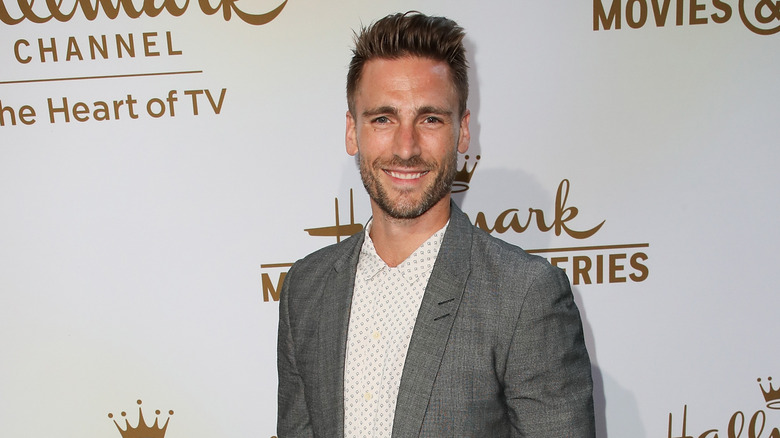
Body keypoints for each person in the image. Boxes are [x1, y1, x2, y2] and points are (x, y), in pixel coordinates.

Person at [277, 11, 595, 437]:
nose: (406, 148)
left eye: (430, 119)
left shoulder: (525, 296)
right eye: (383, 119)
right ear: (352, 130)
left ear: (463, 131)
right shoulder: (307, 288)